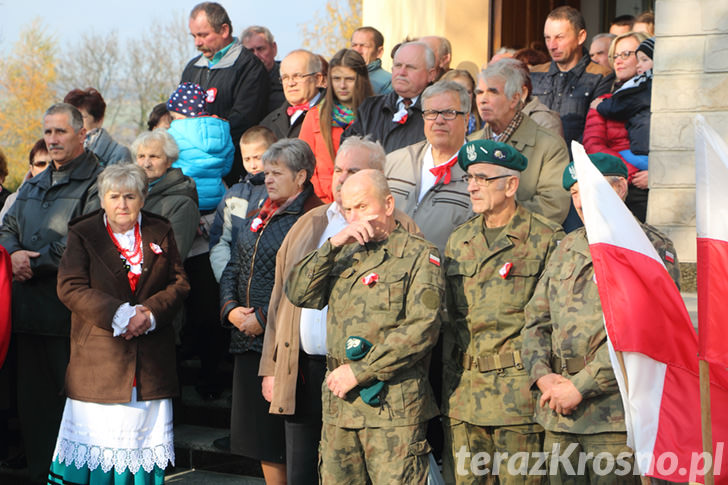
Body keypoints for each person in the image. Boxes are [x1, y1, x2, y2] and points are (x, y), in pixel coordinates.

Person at [259, 136, 420, 485]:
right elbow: (284, 298)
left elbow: (416, 325)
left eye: (355, 170)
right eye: (340, 169)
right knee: (302, 472)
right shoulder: (311, 222)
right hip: (303, 369)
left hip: (371, 382)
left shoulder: (407, 234)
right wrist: (271, 367)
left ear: (379, 179)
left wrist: (363, 370)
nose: (343, 178)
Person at [522, 153, 679, 484]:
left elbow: (645, 333)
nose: (580, 202)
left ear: (620, 188)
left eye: (589, 190)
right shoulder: (565, 247)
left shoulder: (648, 247)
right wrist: (543, 377)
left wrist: (580, 387)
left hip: (615, 421)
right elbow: (536, 320)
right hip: (559, 416)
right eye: (574, 192)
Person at [285, 169, 444, 484]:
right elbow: (299, 293)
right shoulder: (344, 253)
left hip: (392, 410)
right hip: (340, 409)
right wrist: (332, 245)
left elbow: (421, 329)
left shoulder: (418, 255)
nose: (355, 217)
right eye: (348, 209)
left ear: (388, 204)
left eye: (363, 207)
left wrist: (360, 372)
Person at [49, 163, 190, 484]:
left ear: (143, 198)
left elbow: (179, 283)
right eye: (114, 196)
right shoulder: (83, 233)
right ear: (102, 199)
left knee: (140, 453)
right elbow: (69, 286)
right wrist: (118, 314)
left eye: (130, 196)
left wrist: (149, 314)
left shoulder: (160, 230)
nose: (122, 204)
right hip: (98, 362)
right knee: (96, 454)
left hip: (151, 363)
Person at [441, 139, 564, 484]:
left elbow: (553, 322)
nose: (472, 187)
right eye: (469, 178)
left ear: (511, 185)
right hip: (465, 397)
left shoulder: (544, 238)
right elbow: (449, 323)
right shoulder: (459, 239)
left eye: (482, 178)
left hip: (518, 398)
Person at [0, 103, 102, 483]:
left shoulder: (97, 180)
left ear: (82, 134)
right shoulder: (34, 181)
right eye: (48, 132)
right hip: (27, 314)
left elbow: (87, 238)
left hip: (68, 316)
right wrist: (12, 255)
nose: (53, 140)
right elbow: (7, 224)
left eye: (60, 132)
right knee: (33, 408)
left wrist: (34, 262)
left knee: (72, 410)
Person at [219, 139, 322, 484]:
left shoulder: (311, 217)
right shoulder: (261, 209)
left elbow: (300, 279)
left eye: (277, 173)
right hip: (245, 338)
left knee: (283, 439)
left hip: (280, 340)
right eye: (266, 173)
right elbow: (235, 261)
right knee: (261, 439)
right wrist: (231, 310)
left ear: (302, 176)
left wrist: (262, 320)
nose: (268, 180)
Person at [166, 81, 234, 399]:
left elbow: (173, 170)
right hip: (214, 213)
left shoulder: (174, 136)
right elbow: (228, 165)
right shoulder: (222, 131)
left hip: (186, 210)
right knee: (210, 303)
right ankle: (211, 376)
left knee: (186, 302)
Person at [470, 59, 571, 225]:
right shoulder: (470, 144)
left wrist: (497, 220)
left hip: (523, 245)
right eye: (479, 92)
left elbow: (553, 207)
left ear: (515, 99)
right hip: (470, 243)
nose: (483, 100)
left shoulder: (549, 145)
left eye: (493, 92)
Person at [181, 2, 270, 185]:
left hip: (233, 173)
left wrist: (207, 148)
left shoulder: (249, 67)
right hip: (193, 172)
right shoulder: (192, 68)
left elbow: (243, 120)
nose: (198, 42)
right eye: (194, 36)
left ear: (224, 30)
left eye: (203, 35)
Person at [385, 80, 472, 253]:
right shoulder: (393, 163)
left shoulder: (480, 174)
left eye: (449, 113)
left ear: (467, 118)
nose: (439, 120)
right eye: (432, 113)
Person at [583, 32, 650, 221]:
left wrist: (656, 175)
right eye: (615, 56)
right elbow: (594, 146)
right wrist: (634, 174)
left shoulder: (661, 102)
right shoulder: (602, 103)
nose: (618, 61)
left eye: (627, 54)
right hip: (620, 185)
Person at [530, 6, 615, 150]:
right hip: (535, 158)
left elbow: (595, 129)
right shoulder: (535, 74)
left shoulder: (601, 76)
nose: (552, 45)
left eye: (559, 37)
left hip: (577, 160)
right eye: (547, 38)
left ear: (581, 36)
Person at [299, 49, 373, 203]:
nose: (342, 85)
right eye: (337, 78)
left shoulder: (376, 115)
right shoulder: (315, 116)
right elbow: (303, 165)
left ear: (361, 80)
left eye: (349, 79)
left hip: (364, 200)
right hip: (320, 203)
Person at [343, 41, 436, 153]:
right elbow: (347, 151)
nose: (402, 72)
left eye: (411, 67)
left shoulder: (439, 113)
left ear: (431, 74)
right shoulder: (370, 107)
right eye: (398, 65)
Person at [209, 126, 276, 282]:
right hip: (237, 282)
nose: (253, 165)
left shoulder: (281, 190)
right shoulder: (234, 194)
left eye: (258, 158)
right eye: (247, 159)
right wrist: (227, 279)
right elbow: (219, 240)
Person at [131, 129, 199, 260]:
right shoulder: (131, 192)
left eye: (153, 156)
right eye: (141, 156)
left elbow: (173, 256)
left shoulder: (183, 203)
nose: (146, 164)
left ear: (169, 161)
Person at [261, 50, 324, 140]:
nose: (291, 83)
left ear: (318, 79)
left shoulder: (336, 115)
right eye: (285, 77)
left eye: (298, 76)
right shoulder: (268, 123)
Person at [63, 88, 131, 166]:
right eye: (70, 117)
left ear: (99, 120)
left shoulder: (119, 154)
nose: (73, 123)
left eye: (80, 117)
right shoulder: (61, 149)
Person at [1, 139, 51, 222]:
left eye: (52, 164)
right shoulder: (14, 200)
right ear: (31, 169)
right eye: (41, 164)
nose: (47, 169)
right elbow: (4, 232)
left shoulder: (73, 197)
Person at [242, 25, 285, 114]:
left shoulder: (289, 79)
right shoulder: (237, 83)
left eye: (260, 49)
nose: (256, 55)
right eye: (250, 51)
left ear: (274, 48)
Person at [351, 26, 392, 94]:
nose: (357, 50)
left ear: (379, 52)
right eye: (354, 45)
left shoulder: (389, 83)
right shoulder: (339, 77)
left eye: (364, 46)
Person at [441, 69, 482, 135]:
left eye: (468, 92)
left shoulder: (483, 122)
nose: (464, 97)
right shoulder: (436, 121)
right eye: (458, 91)